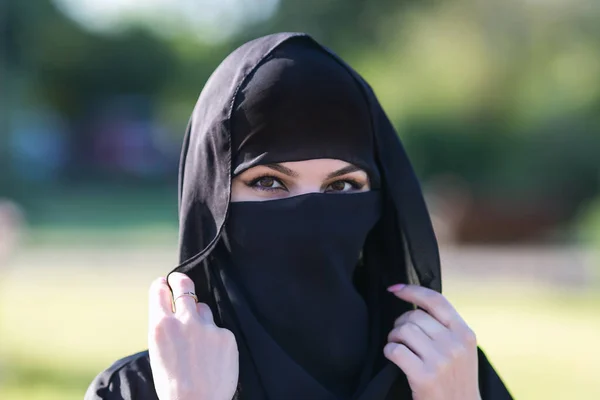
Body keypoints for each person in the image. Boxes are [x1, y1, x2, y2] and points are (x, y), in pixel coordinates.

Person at [85, 32, 512, 400]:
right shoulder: (141, 389)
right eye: (269, 182)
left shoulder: (443, 371)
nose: (311, 212)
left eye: (342, 186)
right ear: (210, 197)